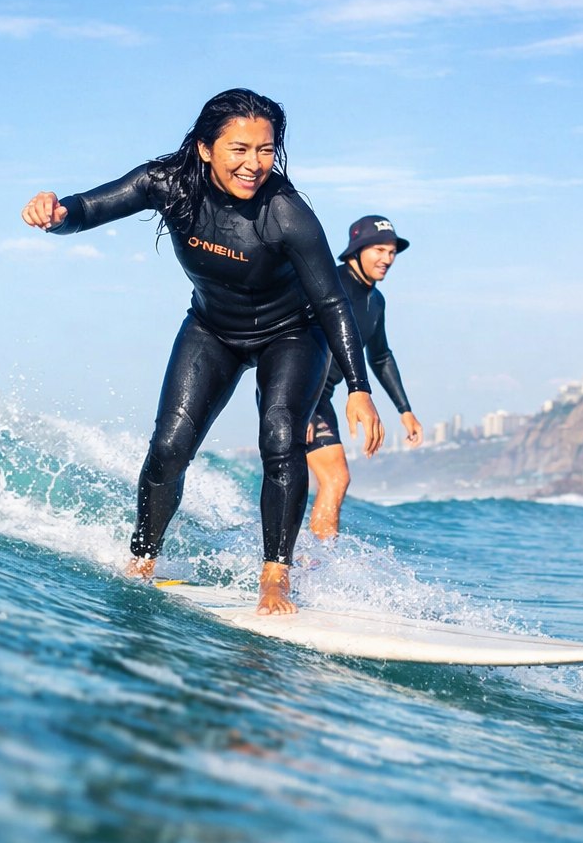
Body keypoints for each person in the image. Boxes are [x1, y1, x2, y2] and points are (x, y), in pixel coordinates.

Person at [20, 89, 383, 614]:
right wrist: (56, 213)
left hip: (293, 333)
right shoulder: (166, 183)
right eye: (239, 149)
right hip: (213, 328)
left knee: (280, 437)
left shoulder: (287, 213)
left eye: (265, 149)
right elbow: (90, 207)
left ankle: (275, 579)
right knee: (169, 446)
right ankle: (143, 559)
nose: (254, 164)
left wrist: (358, 388)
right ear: (206, 148)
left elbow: (331, 300)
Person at [305, 216, 423, 539]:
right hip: (295, 389)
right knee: (302, 478)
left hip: (321, 398)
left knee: (336, 479)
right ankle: (277, 565)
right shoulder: (330, 283)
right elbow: (292, 333)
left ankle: (316, 565)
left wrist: (405, 410)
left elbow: (380, 355)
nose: (387, 259)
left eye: (392, 252)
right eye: (380, 250)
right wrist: (296, 402)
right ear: (357, 250)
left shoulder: (376, 301)